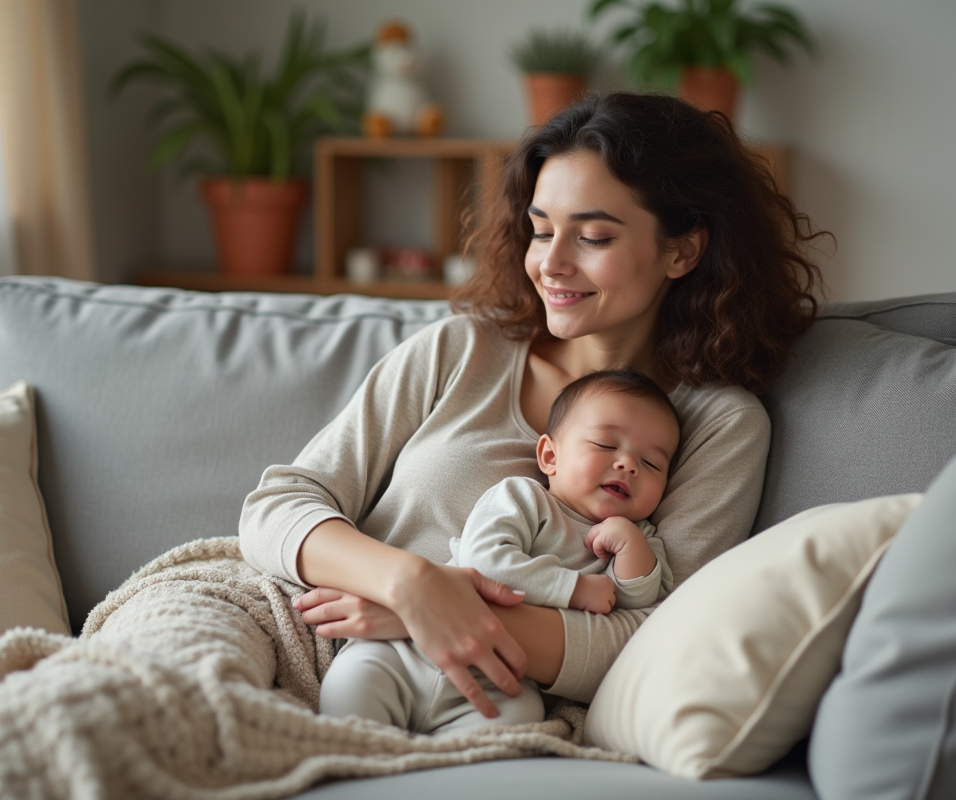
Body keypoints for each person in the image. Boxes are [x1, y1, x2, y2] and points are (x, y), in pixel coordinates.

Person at [238, 91, 826, 723]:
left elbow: (654, 633)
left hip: (491, 697)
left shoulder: (719, 424)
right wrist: (411, 585)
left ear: (681, 250)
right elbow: (280, 503)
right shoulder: (461, 348)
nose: (551, 262)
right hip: (333, 646)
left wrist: (445, 617)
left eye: (593, 236)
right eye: (541, 230)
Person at [317, 369, 680, 733]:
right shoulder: (524, 499)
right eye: (605, 445)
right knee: (354, 680)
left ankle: (436, 768)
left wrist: (632, 546)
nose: (628, 465)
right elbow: (487, 563)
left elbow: (641, 606)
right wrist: (575, 589)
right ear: (550, 456)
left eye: (652, 464)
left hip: (503, 678)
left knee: (521, 714)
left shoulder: (641, 537)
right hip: (410, 649)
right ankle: (360, 753)